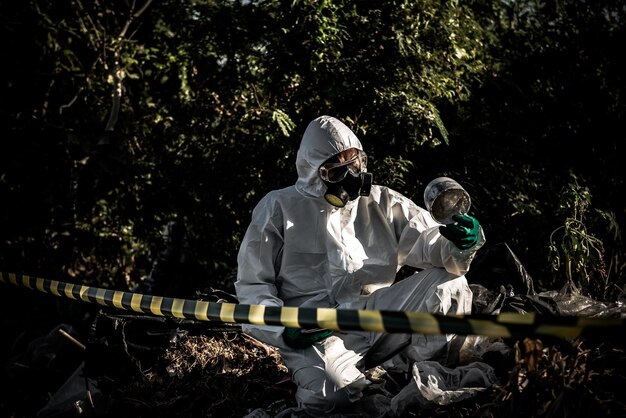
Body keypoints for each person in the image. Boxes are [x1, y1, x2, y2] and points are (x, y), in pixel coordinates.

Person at [234, 115, 488, 416]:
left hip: (376, 314)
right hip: (317, 329)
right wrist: (284, 326)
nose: (352, 176)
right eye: (337, 171)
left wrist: (459, 242)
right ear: (315, 174)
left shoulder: (382, 202)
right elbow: (253, 288)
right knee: (329, 397)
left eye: (355, 164)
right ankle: (352, 377)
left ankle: (422, 377)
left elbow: (431, 244)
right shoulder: (278, 208)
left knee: (450, 285)